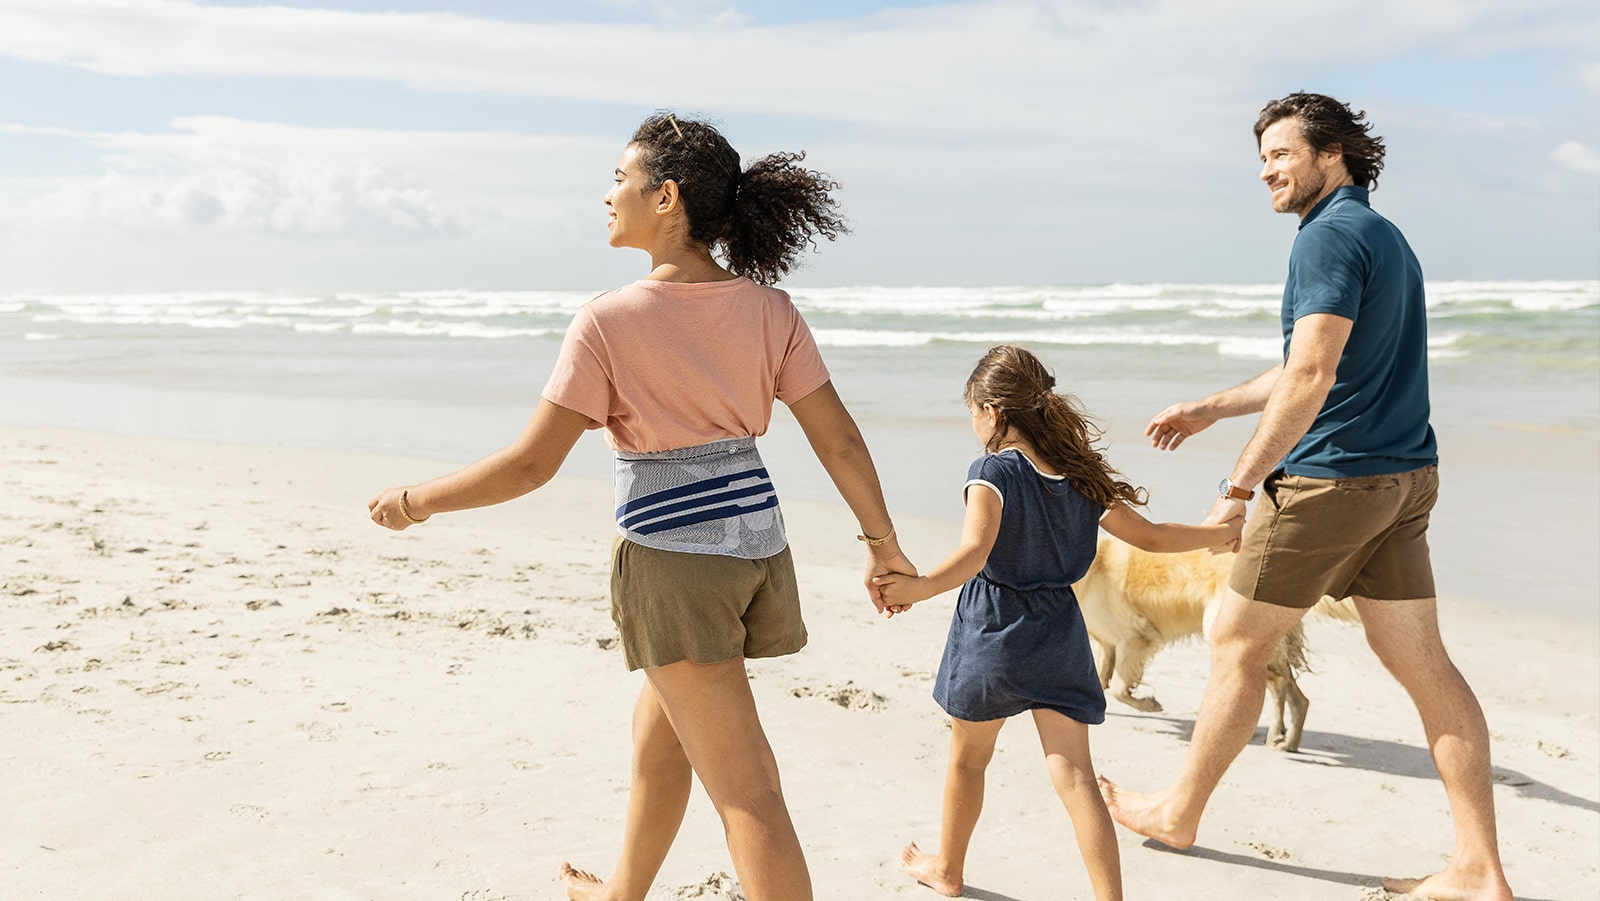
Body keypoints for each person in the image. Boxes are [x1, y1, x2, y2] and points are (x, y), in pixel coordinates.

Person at [369, 112, 915, 901]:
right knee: (660, 735)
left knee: (748, 789)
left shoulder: (608, 321)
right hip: (757, 551)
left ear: (664, 197)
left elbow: (530, 465)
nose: (606, 195)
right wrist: (880, 539)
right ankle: (622, 892)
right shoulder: (770, 310)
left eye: (620, 179)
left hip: (675, 562)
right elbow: (840, 441)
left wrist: (415, 502)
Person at [1096, 92, 1515, 901]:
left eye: (1282, 154)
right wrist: (1212, 406)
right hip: (1404, 479)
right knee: (1425, 665)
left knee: (1234, 641)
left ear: (1335, 155)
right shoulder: (1382, 237)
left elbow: (1314, 377)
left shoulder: (1324, 239)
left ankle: (1179, 811)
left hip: (1331, 483)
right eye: (1263, 158)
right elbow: (1313, 364)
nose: (1267, 171)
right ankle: (1479, 868)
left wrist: (1236, 487)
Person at [872, 345, 1243, 900]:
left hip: (992, 632)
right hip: (1060, 635)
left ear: (993, 410)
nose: (972, 423)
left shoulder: (992, 471)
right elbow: (1157, 537)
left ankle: (947, 869)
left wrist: (920, 587)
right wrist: (1220, 535)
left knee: (968, 762)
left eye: (972, 410)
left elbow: (976, 551)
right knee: (1075, 776)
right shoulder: (1079, 476)